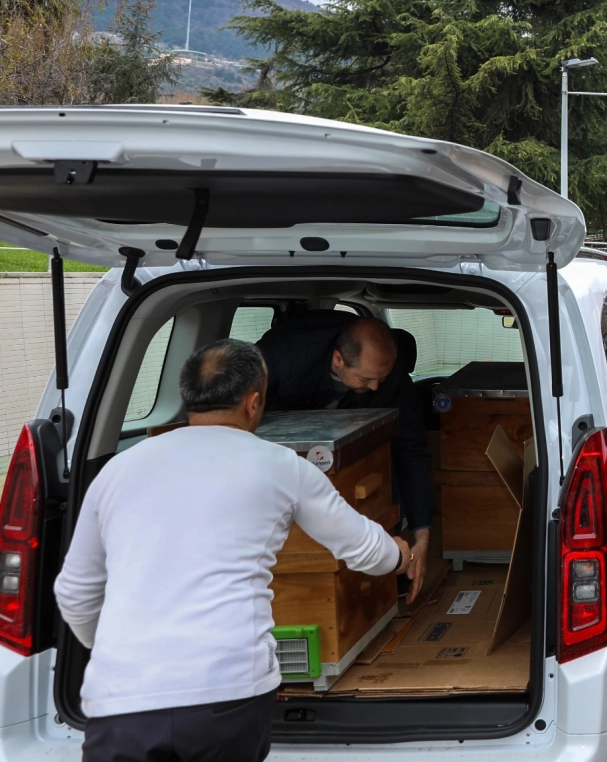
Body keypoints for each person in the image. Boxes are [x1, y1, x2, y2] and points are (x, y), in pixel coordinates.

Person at [55, 339, 416, 762]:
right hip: (227, 694)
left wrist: (121, 654)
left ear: (188, 397)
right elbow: (364, 550)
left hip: (120, 705)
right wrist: (399, 554)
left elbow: (74, 593)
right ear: (254, 402)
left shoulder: (117, 470)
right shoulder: (282, 465)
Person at [257, 312, 433, 569]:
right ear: (338, 360)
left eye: (381, 379)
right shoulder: (283, 358)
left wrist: (421, 535)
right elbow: (238, 415)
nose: (375, 387)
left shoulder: (394, 379)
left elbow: (411, 452)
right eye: (366, 379)